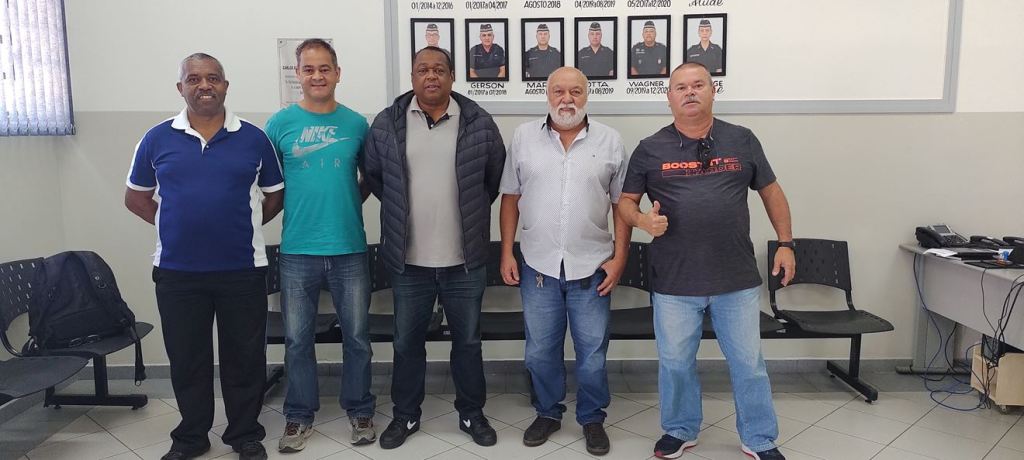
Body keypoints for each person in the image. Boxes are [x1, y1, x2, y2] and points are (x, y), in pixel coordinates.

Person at [617, 62, 795, 460]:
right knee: (675, 363)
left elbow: (771, 192)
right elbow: (625, 203)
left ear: (713, 91)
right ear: (669, 97)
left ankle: (759, 438)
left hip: (736, 279)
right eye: (681, 87)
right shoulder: (649, 148)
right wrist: (643, 220)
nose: (690, 92)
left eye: (698, 84)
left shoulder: (742, 139)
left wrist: (786, 243)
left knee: (749, 363)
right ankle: (679, 429)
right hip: (674, 281)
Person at [125, 53, 284, 460]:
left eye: (213, 78)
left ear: (225, 86)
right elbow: (136, 198)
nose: (204, 85)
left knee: (244, 358)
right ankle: (191, 437)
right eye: (194, 79)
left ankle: (244, 434)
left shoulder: (254, 138)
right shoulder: (156, 138)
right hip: (178, 273)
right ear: (181, 88)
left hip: (242, 270)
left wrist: (242, 223)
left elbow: (274, 196)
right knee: (188, 360)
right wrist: (174, 223)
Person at [361, 46, 506, 450]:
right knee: (407, 343)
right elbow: (374, 176)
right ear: (412, 77)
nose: (431, 76)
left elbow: (492, 179)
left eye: (439, 69)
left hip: (465, 260)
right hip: (409, 261)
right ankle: (405, 415)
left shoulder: (479, 121)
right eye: (423, 69)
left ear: (452, 76)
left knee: (468, 342)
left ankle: (471, 413)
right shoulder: (387, 123)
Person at [499, 67, 629, 456]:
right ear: (547, 94)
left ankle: (592, 418)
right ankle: (548, 413)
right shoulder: (523, 137)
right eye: (558, 91)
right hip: (538, 267)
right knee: (540, 352)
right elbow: (510, 198)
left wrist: (620, 258)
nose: (566, 99)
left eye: (575, 91)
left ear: (587, 95)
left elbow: (622, 205)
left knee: (592, 355)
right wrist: (506, 251)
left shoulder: (610, 141)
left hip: (592, 268)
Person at [263, 38, 377, 452]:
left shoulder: (357, 125)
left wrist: (344, 202)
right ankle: (298, 416)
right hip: (297, 251)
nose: (317, 76)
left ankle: (360, 409)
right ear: (298, 74)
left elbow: (370, 178)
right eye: (308, 69)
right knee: (297, 341)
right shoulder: (279, 125)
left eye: (324, 68)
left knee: (357, 337)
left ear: (337, 73)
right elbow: (269, 186)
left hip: (349, 249)